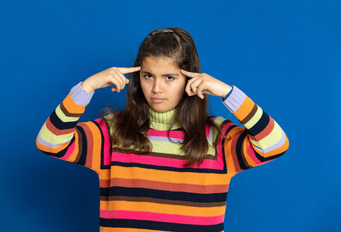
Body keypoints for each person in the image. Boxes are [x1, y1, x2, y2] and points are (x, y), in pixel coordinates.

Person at [36, 27, 289, 232]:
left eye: (169, 77)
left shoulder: (217, 137)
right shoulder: (112, 133)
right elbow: (49, 142)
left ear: (190, 78)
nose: (156, 88)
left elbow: (275, 144)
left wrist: (229, 94)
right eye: (148, 76)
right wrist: (86, 88)